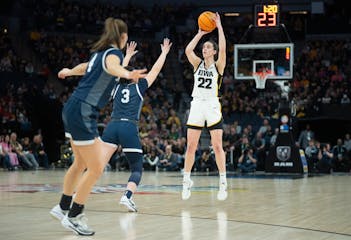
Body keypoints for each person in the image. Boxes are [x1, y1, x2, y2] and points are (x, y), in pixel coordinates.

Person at [50, 18, 146, 236]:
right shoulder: (114, 54)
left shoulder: (98, 55)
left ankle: (63, 206)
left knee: (80, 164)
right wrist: (128, 74)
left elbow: (86, 68)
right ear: (122, 37)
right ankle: (74, 215)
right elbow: (114, 66)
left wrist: (69, 70)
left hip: (73, 107)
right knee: (95, 168)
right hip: (84, 111)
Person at [101, 38, 172, 212]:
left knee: (96, 165)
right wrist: (163, 53)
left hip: (111, 126)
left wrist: (127, 56)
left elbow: (120, 72)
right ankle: (127, 197)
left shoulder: (116, 86)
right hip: (128, 127)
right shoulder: (139, 87)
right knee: (137, 168)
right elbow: (155, 70)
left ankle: (72, 196)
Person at [182, 12, 228, 201]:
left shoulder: (218, 66)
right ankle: (186, 182)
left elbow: (224, 47)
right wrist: (200, 34)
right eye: (204, 47)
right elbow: (187, 50)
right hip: (197, 105)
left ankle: (223, 183)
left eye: (208, 47)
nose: (204, 49)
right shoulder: (197, 64)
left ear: (214, 51)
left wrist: (219, 27)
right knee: (191, 146)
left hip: (212, 105)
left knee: (217, 146)